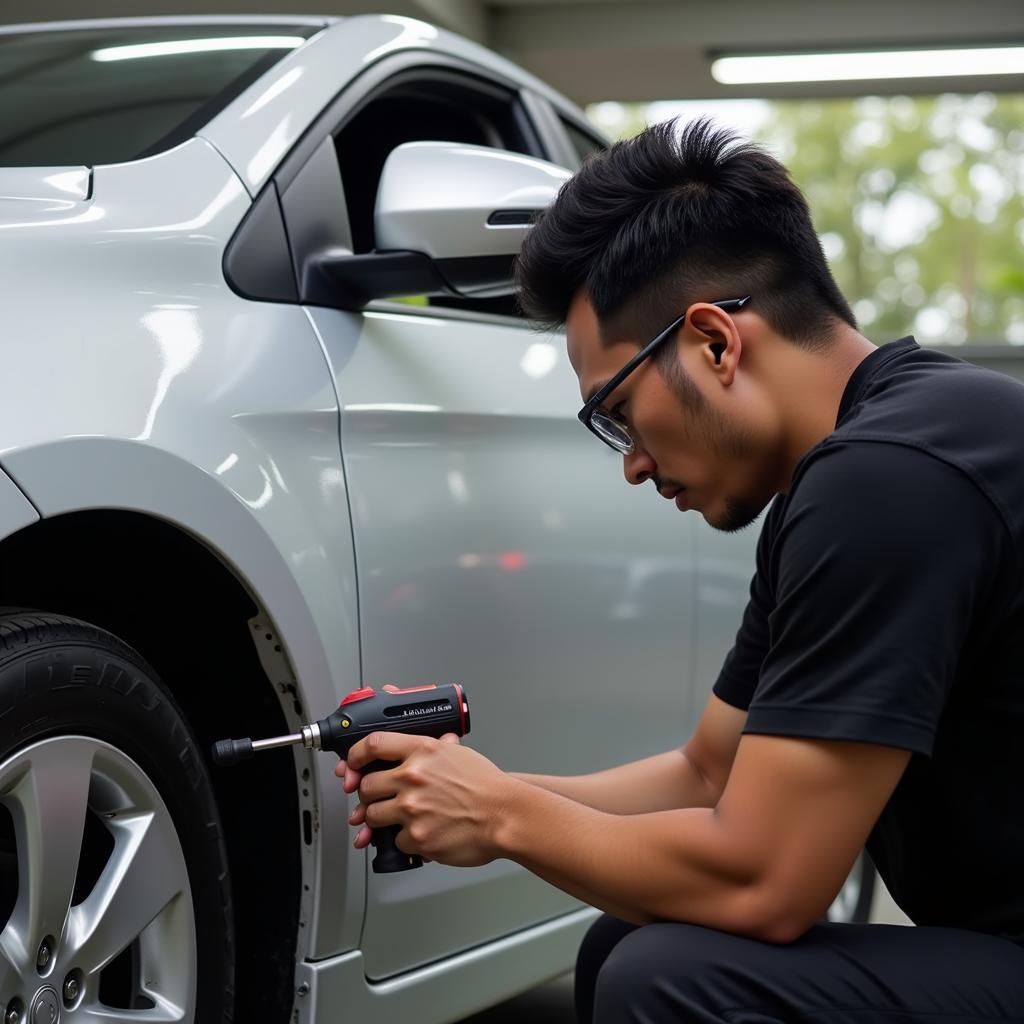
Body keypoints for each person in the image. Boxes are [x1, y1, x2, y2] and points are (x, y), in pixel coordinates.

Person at [338, 118, 1024, 1022]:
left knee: (669, 976)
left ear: (713, 341)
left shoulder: (887, 481)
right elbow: (708, 775)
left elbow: (768, 883)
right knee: (635, 941)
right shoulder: (880, 457)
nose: (630, 462)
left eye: (617, 412)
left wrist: (504, 818)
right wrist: (477, 790)